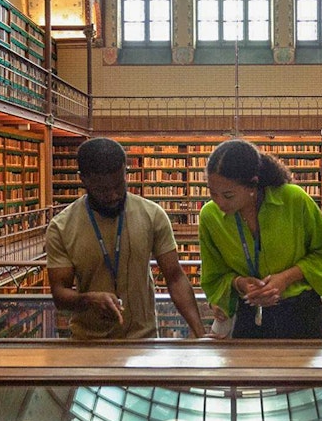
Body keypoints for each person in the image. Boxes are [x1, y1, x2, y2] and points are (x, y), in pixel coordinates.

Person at [46, 137, 205, 339]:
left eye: (119, 185)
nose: (113, 196)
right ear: (83, 179)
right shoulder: (61, 227)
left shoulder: (152, 215)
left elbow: (175, 278)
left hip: (144, 340)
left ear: (125, 173)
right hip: (87, 342)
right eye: (102, 190)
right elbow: (60, 294)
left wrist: (200, 335)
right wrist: (89, 299)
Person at [200, 138, 322, 339]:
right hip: (248, 315)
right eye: (212, 193)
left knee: (310, 371)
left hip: (301, 314)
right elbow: (213, 275)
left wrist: (285, 279)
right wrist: (240, 283)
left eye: (228, 195)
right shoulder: (210, 217)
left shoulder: (294, 200)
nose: (219, 202)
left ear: (253, 185)